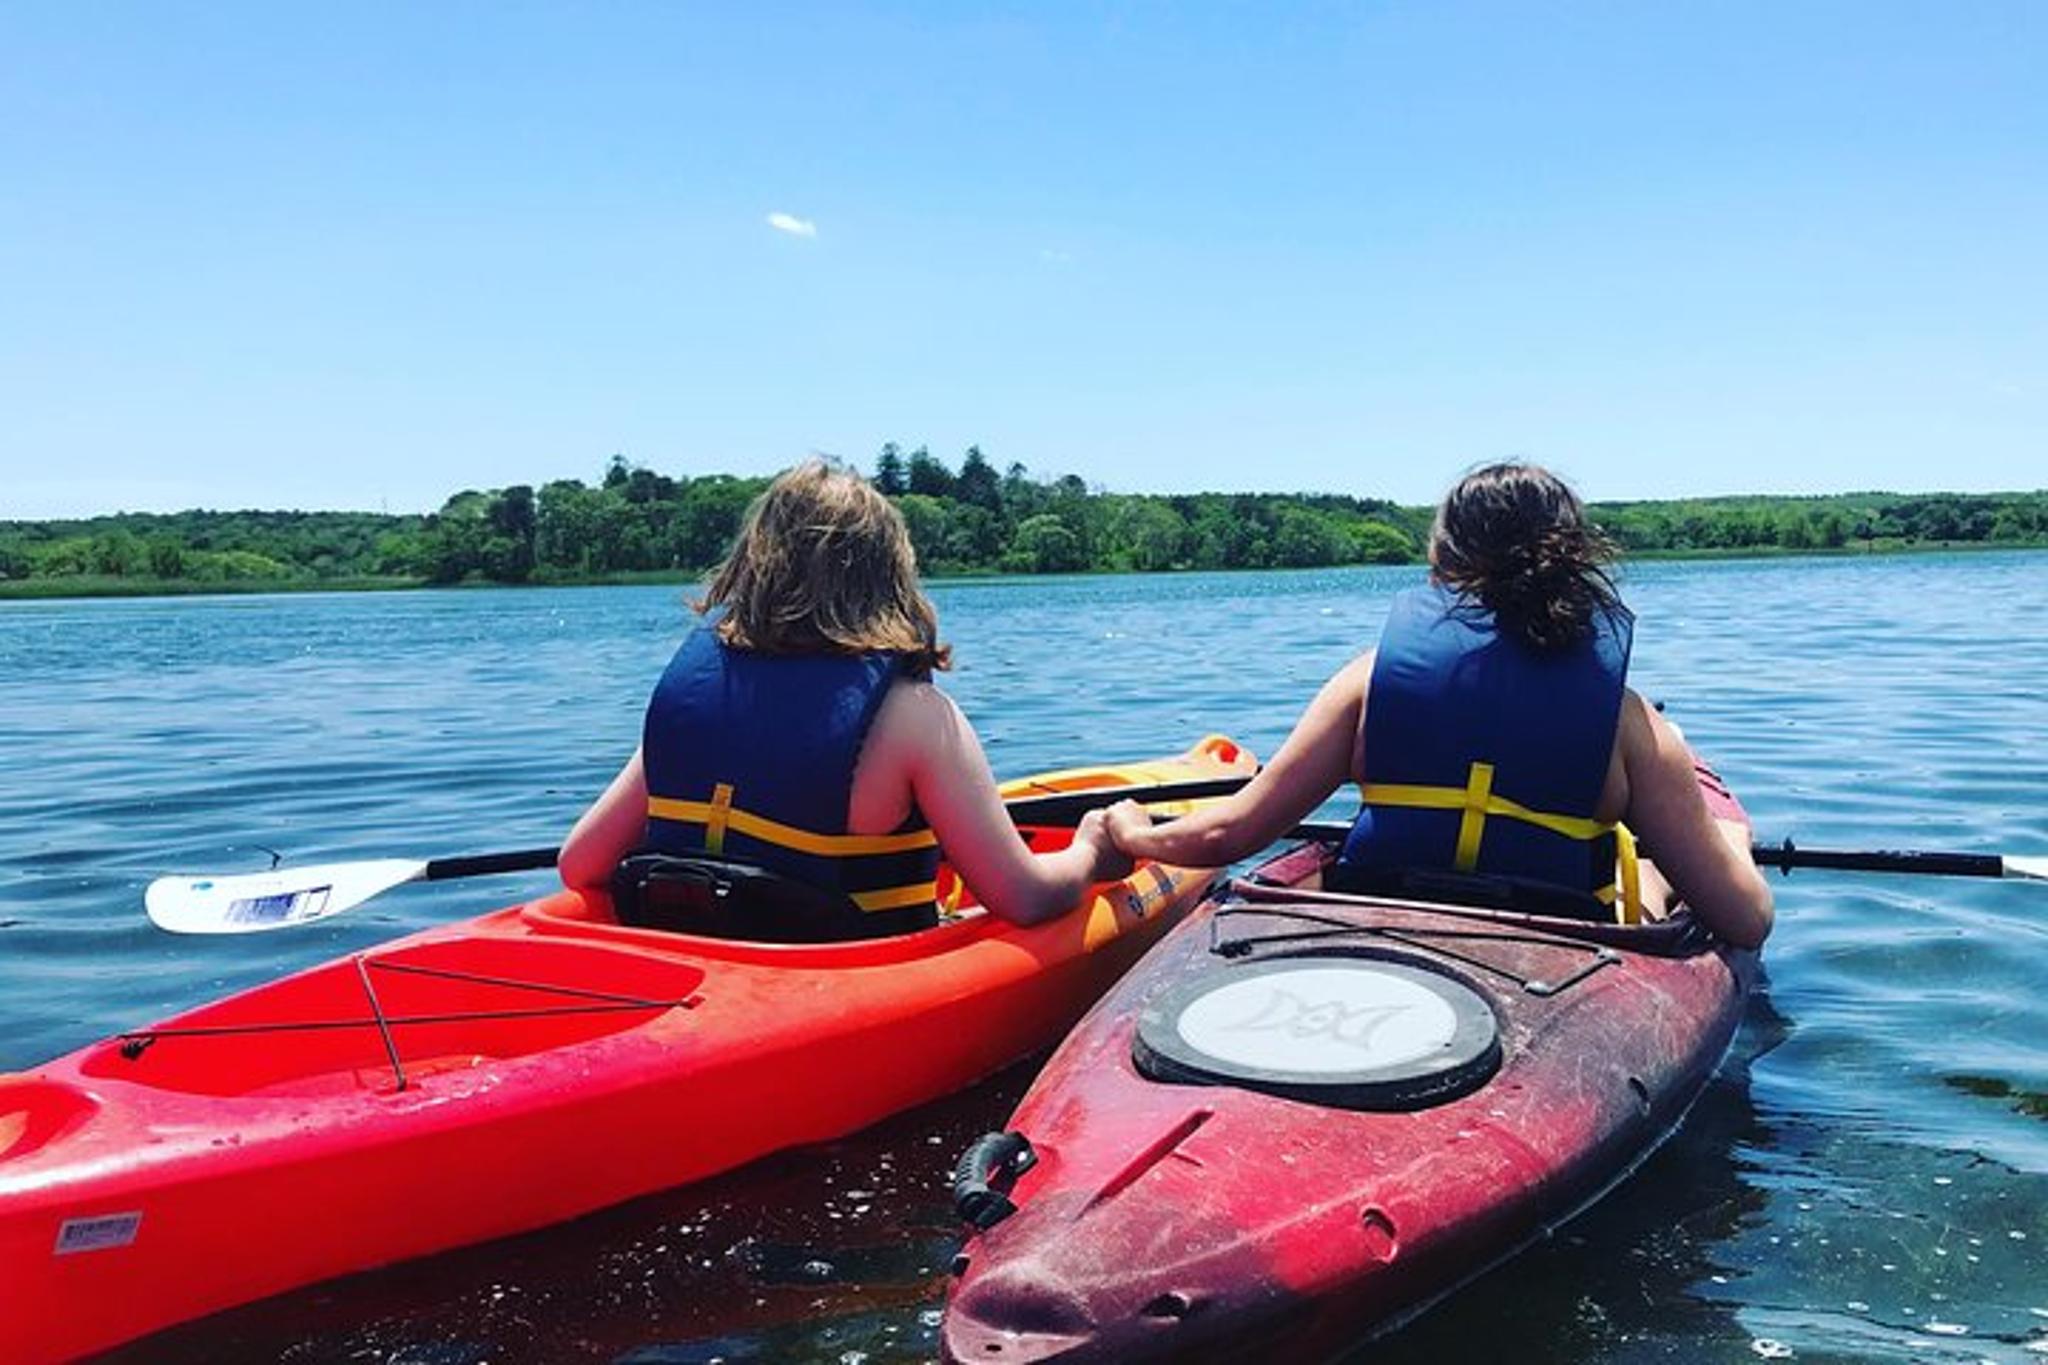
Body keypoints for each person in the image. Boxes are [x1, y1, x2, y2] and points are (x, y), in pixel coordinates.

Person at [1104, 462, 1773, 949]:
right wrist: (1729, 843)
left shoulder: (1368, 683)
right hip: (1556, 951)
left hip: (1379, 924)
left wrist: (1135, 834)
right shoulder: (1628, 726)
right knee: (1658, 868)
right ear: (1572, 565)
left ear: (1440, 561)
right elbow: (1746, 920)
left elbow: (1228, 835)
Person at [561, 459, 1132, 937]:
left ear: (752, 566)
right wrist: (1090, 852)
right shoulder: (915, 716)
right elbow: (1025, 898)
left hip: (712, 979)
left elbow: (580, 865)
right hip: (852, 988)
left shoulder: (693, 706)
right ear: (890, 576)